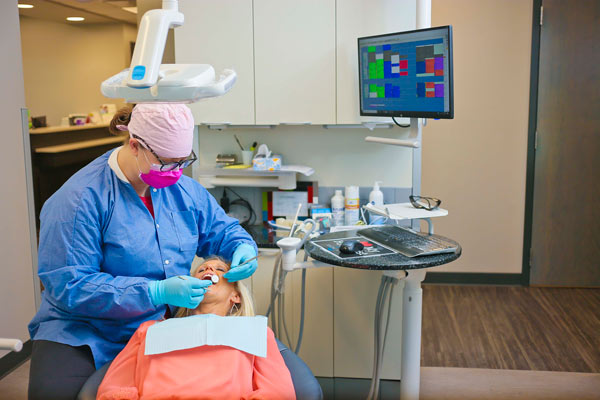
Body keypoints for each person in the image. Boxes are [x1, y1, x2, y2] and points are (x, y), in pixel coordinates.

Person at [28, 104, 259, 400]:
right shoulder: (78, 201)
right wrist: (154, 292)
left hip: (160, 326)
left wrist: (242, 246)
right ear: (135, 146)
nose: (176, 172)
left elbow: (222, 230)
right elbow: (70, 286)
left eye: (183, 161)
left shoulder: (183, 190)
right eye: (167, 163)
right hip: (84, 330)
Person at [97, 257, 296, 400]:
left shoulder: (254, 332)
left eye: (220, 270)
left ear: (236, 296)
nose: (209, 269)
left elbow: (278, 391)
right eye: (201, 270)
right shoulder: (150, 331)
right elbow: (115, 387)